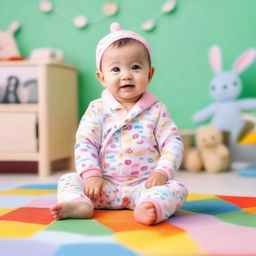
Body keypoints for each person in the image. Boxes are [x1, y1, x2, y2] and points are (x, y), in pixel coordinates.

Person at [51, 22, 188, 225]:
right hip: (102, 187)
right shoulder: (97, 109)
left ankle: (150, 207)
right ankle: (80, 204)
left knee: (178, 188)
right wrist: (91, 176)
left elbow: (172, 143)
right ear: (102, 77)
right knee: (68, 179)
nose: (126, 75)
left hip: (145, 186)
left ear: (149, 74)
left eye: (135, 67)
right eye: (116, 69)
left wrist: (162, 172)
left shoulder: (157, 110)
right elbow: (85, 144)